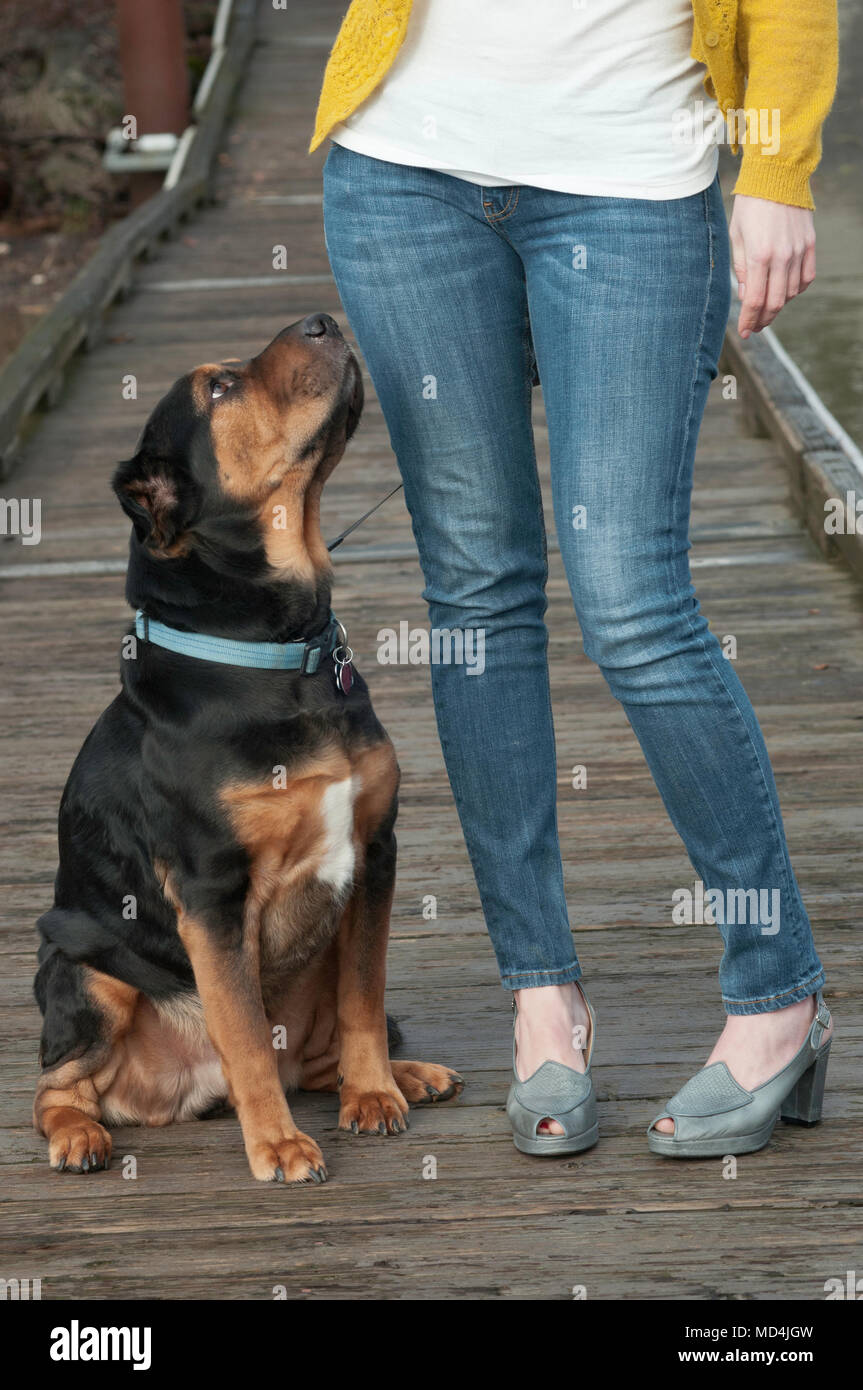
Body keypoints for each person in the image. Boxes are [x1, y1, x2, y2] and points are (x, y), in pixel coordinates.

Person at [309, 0, 838, 1157]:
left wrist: (777, 168)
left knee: (633, 602)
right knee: (473, 595)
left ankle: (774, 992)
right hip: (404, 171)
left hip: (633, 178)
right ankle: (540, 994)